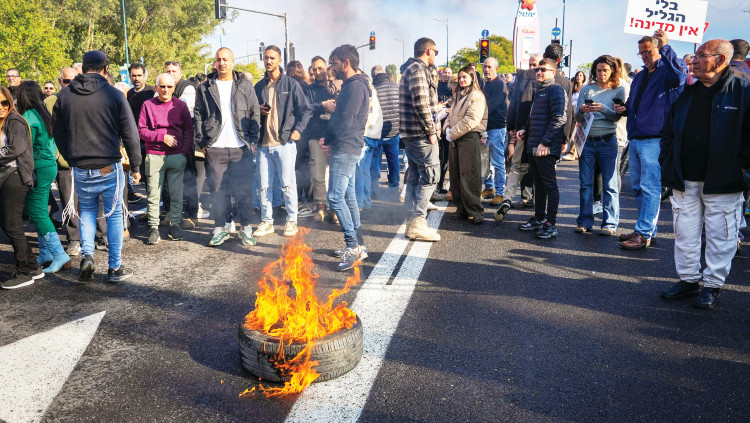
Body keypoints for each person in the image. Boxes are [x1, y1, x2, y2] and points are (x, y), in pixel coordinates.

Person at [659, 39, 750, 309]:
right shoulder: (687, 93)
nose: (694, 60)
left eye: (701, 55)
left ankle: (712, 286)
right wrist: (667, 162)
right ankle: (688, 281)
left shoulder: (744, 92)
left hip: (723, 181)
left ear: (720, 60)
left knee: (721, 236)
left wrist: (741, 168)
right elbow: (669, 131)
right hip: (684, 179)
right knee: (685, 234)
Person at [52, 50, 142, 283]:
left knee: (88, 212)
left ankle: (88, 256)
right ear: (106, 68)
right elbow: (130, 133)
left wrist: (71, 157)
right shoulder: (114, 94)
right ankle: (114, 268)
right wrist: (135, 165)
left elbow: (58, 132)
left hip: (80, 166)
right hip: (108, 165)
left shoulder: (65, 95)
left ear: (83, 67)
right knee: (113, 215)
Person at [613, 29, 688, 250]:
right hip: (636, 137)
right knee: (638, 187)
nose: (644, 56)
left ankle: (644, 232)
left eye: (648, 51)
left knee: (650, 187)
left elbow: (680, 76)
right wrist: (625, 109)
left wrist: (666, 46)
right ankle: (646, 229)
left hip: (655, 139)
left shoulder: (668, 70)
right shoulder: (641, 76)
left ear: (658, 49)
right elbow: (634, 103)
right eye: (641, 52)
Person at [194, 47, 260, 247]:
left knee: (243, 191)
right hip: (215, 147)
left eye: (225, 59)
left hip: (241, 146)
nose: (221, 63)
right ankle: (219, 228)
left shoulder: (245, 85)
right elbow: (198, 114)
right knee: (217, 191)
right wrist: (202, 142)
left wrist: (253, 140)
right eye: (218, 59)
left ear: (232, 62)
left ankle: (245, 229)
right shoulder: (205, 87)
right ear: (215, 63)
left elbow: (254, 112)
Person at [320, 44, 371, 271]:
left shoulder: (355, 86)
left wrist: (328, 139)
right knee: (349, 197)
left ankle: (353, 246)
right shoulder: (352, 85)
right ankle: (359, 245)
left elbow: (346, 119)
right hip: (345, 146)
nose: (332, 68)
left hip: (346, 147)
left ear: (346, 63)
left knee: (334, 197)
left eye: (335, 63)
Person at [253, 45, 311, 238]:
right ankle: (267, 221)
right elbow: (250, 113)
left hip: (284, 143)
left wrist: (298, 130)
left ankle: (292, 220)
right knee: (263, 186)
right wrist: (257, 111)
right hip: (263, 145)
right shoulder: (259, 86)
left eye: (272, 58)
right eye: (266, 58)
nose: (268, 61)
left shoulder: (291, 84)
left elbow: (306, 110)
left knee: (287, 184)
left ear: (279, 61)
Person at [15, 81, 71, 274]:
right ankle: (46, 253)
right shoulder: (43, 113)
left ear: (23, 96)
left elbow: (23, 145)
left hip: (37, 168)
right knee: (39, 210)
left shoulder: (28, 116)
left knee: (37, 211)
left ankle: (59, 255)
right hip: (48, 166)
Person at [138, 73, 193, 245]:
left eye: (169, 86)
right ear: (156, 87)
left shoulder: (181, 105)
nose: (166, 90)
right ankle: (154, 228)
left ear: (174, 87)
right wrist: (161, 137)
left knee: (177, 194)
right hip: (154, 155)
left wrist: (184, 153)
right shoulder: (148, 105)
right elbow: (141, 130)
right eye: (162, 86)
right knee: (154, 195)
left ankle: (175, 225)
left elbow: (189, 130)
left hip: (176, 156)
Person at [574, 55, 626, 236]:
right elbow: (578, 117)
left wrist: (603, 108)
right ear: (594, 71)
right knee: (585, 184)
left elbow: (616, 117)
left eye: (605, 70)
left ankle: (610, 223)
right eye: (598, 70)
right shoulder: (586, 89)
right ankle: (584, 221)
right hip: (587, 141)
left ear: (612, 71)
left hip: (608, 140)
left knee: (610, 184)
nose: (602, 73)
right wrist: (582, 110)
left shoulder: (619, 90)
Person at [516, 58, 567, 239]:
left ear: (553, 72)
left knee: (549, 185)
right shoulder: (541, 90)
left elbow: (559, 118)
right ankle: (539, 219)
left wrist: (545, 142)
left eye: (543, 69)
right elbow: (535, 118)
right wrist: (525, 129)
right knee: (538, 185)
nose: (538, 72)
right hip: (534, 145)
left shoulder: (556, 89)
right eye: (537, 69)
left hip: (545, 147)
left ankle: (551, 224)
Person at [0, 86, 45, 289]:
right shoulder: (3, 122)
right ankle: (32, 266)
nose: (1, 107)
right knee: (8, 223)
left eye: (4, 102)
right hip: (6, 176)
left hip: (16, 176)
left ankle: (24, 271)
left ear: (10, 102)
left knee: (12, 224)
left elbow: (16, 148)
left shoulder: (15, 120)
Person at [399, 37, 442, 242]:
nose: (436, 56)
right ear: (428, 51)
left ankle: (412, 221)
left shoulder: (412, 69)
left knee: (416, 176)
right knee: (431, 176)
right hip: (420, 134)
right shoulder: (417, 70)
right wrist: (431, 130)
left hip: (414, 134)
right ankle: (417, 221)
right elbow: (422, 104)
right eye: (436, 52)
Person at [444, 64, 488, 224]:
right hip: (455, 138)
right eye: (460, 77)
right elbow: (450, 115)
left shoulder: (477, 96)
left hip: (469, 137)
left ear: (472, 78)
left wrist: (452, 132)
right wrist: (446, 128)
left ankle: (475, 211)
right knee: (455, 175)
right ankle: (461, 208)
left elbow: (472, 119)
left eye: (465, 77)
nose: (461, 80)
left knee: (469, 175)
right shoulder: (458, 95)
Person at [505, 54, 542, 209]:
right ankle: (525, 197)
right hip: (522, 130)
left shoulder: (547, 82)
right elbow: (514, 104)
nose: (533, 68)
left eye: (536, 65)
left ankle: (539, 202)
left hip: (540, 132)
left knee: (538, 168)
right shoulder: (523, 79)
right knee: (521, 164)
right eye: (531, 64)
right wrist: (512, 126)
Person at [304, 56, 337, 222]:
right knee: (318, 176)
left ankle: (335, 208)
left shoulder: (336, 86)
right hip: (316, 137)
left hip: (336, 137)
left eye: (320, 68)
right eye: (314, 69)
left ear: (326, 68)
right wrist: (322, 105)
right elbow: (305, 108)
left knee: (337, 175)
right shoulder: (309, 90)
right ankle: (321, 207)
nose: (317, 72)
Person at [480, 57, 510, 211]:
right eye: (485, 66)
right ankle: (489, 188)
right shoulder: (486, 84)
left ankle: (499, 193)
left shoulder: (499, 84)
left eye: (489, 67)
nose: (486, 69)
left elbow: (491, 106)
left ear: (496, 68)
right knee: (486, 161)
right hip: (486, 128)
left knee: (498, 162)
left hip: (497, 128)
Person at [370, 66, 400, 201]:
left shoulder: (374, 89)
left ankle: (374, 188)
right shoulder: (396, 87)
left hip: (377, 131)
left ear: (373, 76)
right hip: (393, 129)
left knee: (374, 160)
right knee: (393, 160)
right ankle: (394, 187)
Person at [127, 62, 155, 202]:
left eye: (139, 75)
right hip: (136, 140)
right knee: (142, 174)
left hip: (151, 139)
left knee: (152, 175)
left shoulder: (152, 92)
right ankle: (151, 206)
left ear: (144, 76)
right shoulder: (129, 93)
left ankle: (156, 205)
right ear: (130, 76)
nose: (136, 78)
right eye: (134, 75)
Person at [563, 70, 587, 161]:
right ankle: (573, 151)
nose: (579, 77)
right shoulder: (573, 87)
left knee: (575, 133)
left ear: (584, 77)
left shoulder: (585, 88)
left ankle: (572, 152)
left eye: (581, 75)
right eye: (577, 75)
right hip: (571, 113)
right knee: (570, 132)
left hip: (580, 113)